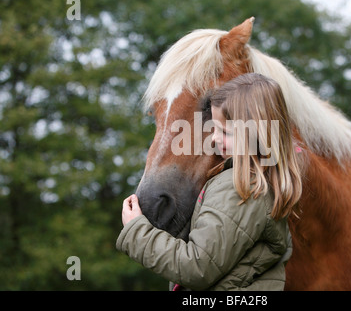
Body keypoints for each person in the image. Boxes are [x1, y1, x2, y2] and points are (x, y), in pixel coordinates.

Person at [116, 73, 303, 290]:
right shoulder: (252, 182)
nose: (214, 139)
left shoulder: (241, 189)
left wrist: (137, 231)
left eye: (225, 132)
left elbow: (196, 267)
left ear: (256, 134)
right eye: (214, 128)